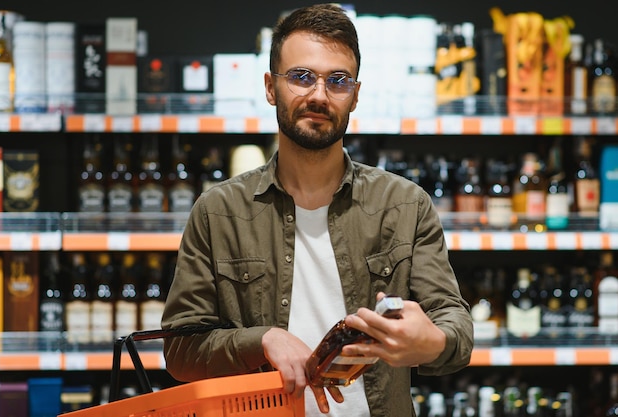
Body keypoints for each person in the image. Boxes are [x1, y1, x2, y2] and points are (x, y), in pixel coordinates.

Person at [161, 3, 474, 417]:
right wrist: (262, 339)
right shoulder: (218, 212)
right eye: (301, 77)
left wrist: (432, 342)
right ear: (271, 87)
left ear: (356, 95)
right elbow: (180, 350)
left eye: (338, 80)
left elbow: (455, 324)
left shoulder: (404, 204)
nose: (319, 96)